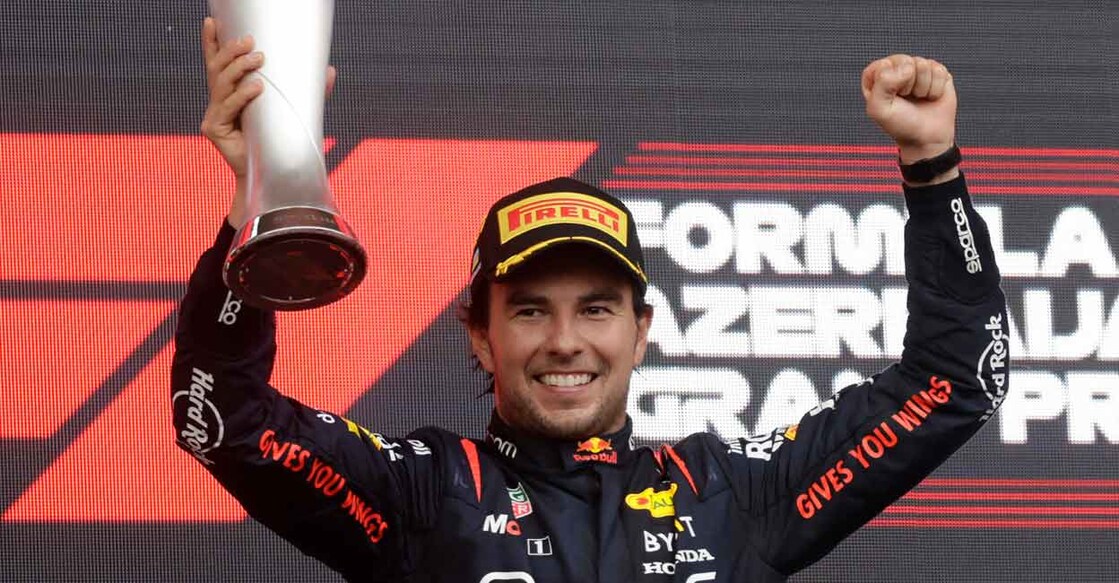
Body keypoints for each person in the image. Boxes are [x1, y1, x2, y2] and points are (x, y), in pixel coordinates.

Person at [172, 17, 1010, 583]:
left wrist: (932, 171)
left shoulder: (729, 492)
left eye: (597, 308)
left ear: (641, 331)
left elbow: (954, 379)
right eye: (530, 308)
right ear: (479, 334)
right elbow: (225, 423)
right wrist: (261, 196)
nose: (564, 339)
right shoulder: (426, 492)